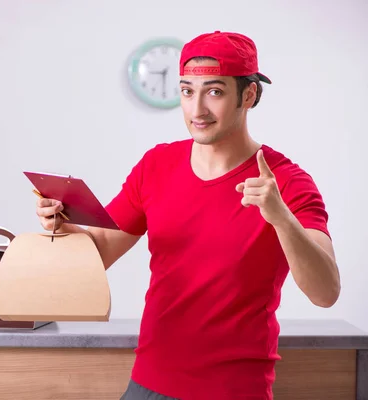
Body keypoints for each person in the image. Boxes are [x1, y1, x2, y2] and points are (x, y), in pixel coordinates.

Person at [35, 31, 340, 400]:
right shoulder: (156, 166)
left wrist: (281, 218)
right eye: (187, 91)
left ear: (249, 95)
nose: (197, 110)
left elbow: (326, 293)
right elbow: (98, 252)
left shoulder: (286, 183)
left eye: (214, 92)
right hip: (147, 384)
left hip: (233, 391)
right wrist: (63, 226)